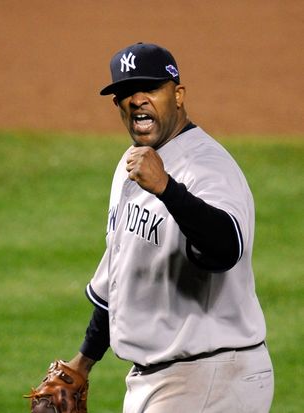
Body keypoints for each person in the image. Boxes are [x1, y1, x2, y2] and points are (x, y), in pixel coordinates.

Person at [68, 42, 274, 412]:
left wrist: (167, 189)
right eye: (126, 93)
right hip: (164, 381)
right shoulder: (132, 166)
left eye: (150, 88)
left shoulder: (208, 168)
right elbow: (121, 277)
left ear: (177, 95)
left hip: (211, 375)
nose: (137, 100)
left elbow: (225, 248)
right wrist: (83, 361)